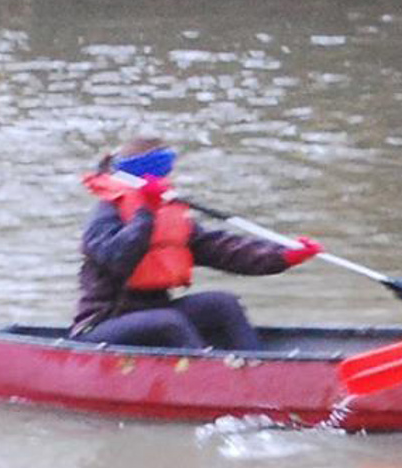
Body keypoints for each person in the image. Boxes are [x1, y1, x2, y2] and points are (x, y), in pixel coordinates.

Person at [73, 141, 322, 351]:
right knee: (169, 322)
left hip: (156, 313)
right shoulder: (104, 217)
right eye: (161, 172)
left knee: (223, 303)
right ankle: (209, 377)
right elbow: (118, 258)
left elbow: (222, 249)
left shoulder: (166, 215)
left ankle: (257, 368)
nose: (168, 179)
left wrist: (283, 255)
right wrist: (145, 211)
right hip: (103, 325)